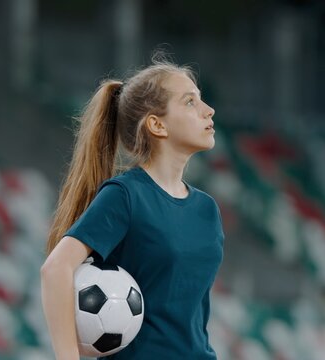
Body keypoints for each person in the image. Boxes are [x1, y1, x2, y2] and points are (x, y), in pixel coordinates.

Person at [40, 55, 223, 360]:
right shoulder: (125, 195)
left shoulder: (207, 209)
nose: (209, 110)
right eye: (190, 102)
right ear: (156, 124)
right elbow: (55, 269)